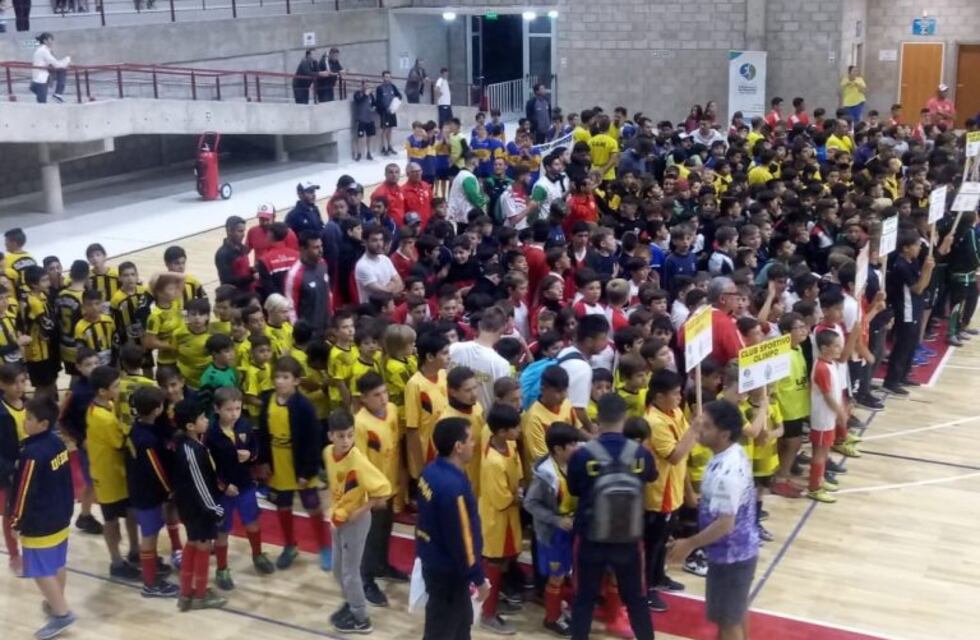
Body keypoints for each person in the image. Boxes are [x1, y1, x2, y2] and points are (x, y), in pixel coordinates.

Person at [667, 399, 759, 640]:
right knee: (735, 614)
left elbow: (725, 524)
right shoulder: (731, 453)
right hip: (737, 551)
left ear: (724, 434)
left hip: (731, 556)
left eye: (706, 426)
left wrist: (690, 543)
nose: (700, 429)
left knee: (728, 622)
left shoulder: (727, 471)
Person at [567, 393, 656, 640]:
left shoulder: (582, 455)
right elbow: (650, 477)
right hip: (629, 538)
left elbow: (574, 490)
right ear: (625, 418)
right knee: (637, 599)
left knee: (584, 598)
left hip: (590, 536)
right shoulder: (641, 453)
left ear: (597, 418)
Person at [416, 416, 490, 640]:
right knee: (442, 630)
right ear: (458, 446)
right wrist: (478, 578)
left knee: (461, 623)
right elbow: (463, 539)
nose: (474, 444)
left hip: (434, 561)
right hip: (449, 572)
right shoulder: (453, 488)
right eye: (470, 440)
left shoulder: (429, 471)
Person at [10, 398, 76, 639]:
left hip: (40, 521)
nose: (24, 422)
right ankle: (56, 602)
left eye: (29, 419)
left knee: (39, 570)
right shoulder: (58, 443)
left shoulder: (32, 454)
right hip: (61, 514)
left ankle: (61, 613)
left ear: (43, 424)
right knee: (57, 563)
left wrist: (16, 522)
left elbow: (23, 492)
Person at [324, 408, 391, 633]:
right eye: (341, 436)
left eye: (350, 435)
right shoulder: (328, 453)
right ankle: (351, 603)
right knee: (337, 570)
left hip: (356, 522)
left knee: (350, 572)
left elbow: (384, 489)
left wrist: (362, 509)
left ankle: (361, 618)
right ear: (330, 436)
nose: (346, 441)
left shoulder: (358, 461)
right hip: (338, 519)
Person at [524, 422, 584, 636]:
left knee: (565, 572)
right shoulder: (545, 476)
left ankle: (558, 609)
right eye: (572, 444)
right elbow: (530, 503)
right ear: (558, 449)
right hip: (553, 534)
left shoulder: (572, 464)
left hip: (571, 529)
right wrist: (555, 520)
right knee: (556, 576)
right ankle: (551, 618)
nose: (577, 447)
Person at [170, 398, 227, 611]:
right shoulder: (192, 451)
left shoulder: (189, 444)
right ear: (190, 426)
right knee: (202, 546)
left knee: (193, 544)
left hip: (191, 507)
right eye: (202, 418)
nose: (207, 420)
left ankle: (185, 595)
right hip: (199, 510)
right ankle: (200, 596)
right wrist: (215, 510)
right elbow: (200, 485)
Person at [448, 305, 511, 411]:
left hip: (449, 414)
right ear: (503, 329)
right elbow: (502, 401)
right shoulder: (501, 365)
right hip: (483, 419)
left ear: (480, 325)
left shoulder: (454, 348)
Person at [557, 314, 610, 434]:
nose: (606, 342)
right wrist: (591, 427)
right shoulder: (581, 368)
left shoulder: (567, 351)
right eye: (603, 339)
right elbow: (577, 409)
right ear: (589, 341)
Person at [284, 232, 331, 337]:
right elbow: (291, 310)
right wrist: (299, 334)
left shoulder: (323, 264)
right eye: (315, 247)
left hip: (326, 328)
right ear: (303, 249)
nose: (321, 250)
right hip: (308, 333)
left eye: (321, 246)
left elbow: (328, 293)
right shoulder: (294, 275)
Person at [354, 224, 403, 304]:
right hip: (372, 309)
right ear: (364, 242)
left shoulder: (385, 259)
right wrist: (392, 285)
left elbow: (400, 283)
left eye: (381, 240)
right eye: (374, 240)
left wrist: (389, 289)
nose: (379, 244)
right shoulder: (362, 266)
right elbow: (381, 293)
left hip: (389, 307)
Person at [213, 216, 253, 293]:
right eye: (240, 231)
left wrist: (252, 270)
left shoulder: (243, 248)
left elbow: (243, 270)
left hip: (248, 292)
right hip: (234, 296)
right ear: (229, 231)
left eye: (243, 231)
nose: (243, 234)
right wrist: (251, 277)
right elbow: (227, 280)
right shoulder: (222, 254)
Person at [31, 32, 70, 103]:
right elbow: (56, 64)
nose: (52, 42)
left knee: (62, 71)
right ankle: (57, 94)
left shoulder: (43, 50)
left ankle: (57, 94)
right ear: (45, 41)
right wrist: (67, 60)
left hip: (39, 78)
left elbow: (53, 63)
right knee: (42, 104)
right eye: (50, 40)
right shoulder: (44, 51)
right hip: (41, 80)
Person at [375, 71, 403, 156]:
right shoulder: (379, 88)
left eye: (389, 77)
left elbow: (399, 96)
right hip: (384, 112)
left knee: (390, 129)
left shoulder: (393, 87)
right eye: (386, 77)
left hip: (392, 111)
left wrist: (395, 104)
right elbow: (378, 101)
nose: (387, 78)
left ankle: (389, 146)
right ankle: (383, 147)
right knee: (384, 129)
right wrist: (383, 109)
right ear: (383, 78)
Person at [352, 80, 377, 162]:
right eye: (365, 85)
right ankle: (359, 153)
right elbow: (358, 101)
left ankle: (368, 153)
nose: (366, 87)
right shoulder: (357, 94)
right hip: (361, 119)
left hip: (370, 118)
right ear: (362, 86)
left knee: (369, 136)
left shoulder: (371, 95)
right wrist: (365, 95)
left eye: (368, 85)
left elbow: (374, 103)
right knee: (360, 137)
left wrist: (374, 107)